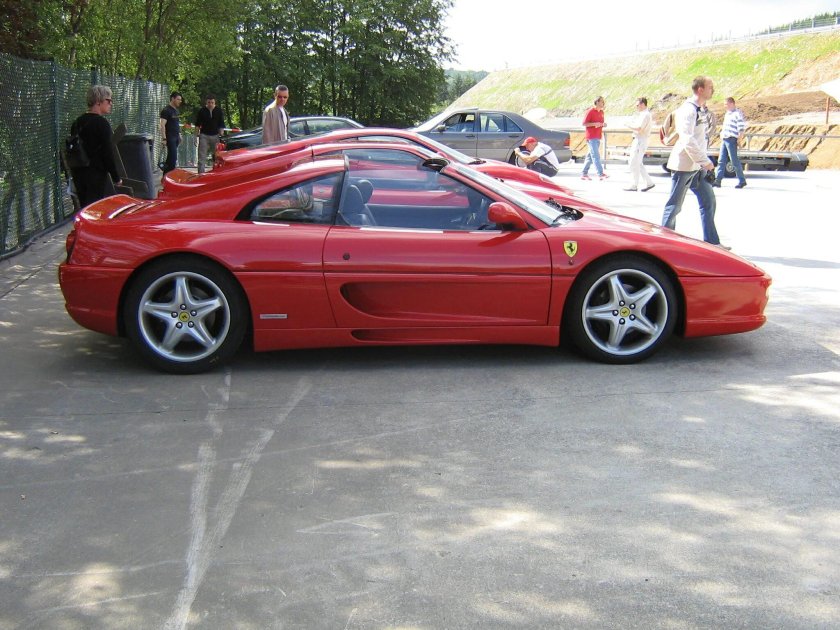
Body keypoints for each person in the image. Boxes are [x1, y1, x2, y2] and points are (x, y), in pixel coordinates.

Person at [661, 76, 727, 248]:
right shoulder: (688, 110)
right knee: (674, 206)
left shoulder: (700, 109)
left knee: (709, 202)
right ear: (700, 89)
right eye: (710, 87)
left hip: (697, 166)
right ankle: (664, 244)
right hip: (684, 165)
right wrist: (705, 161)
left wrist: (703, 162)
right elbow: (687, 139)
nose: (713, 89)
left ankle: (712, 242)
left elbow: (699, 137)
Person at [69, 85, 122, 208]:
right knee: (95, 208)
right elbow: (108, 152)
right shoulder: (102, 124)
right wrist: (116, 177)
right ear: (98, 102)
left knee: (84, 208)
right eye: (108, 101)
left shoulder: (76, 122)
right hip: (96, 173)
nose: (111, 104)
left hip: (78, 171)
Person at [714, 97, 747, 188]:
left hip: (731, 139)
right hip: (724, 139)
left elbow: (741, 129)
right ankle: (718, 180)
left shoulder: (737, 114)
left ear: (732, 103)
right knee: (721, 160)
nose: (725, 106)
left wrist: (739, 140)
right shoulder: (727, 114)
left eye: (726, 104)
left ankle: (742, 180)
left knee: (734, 161)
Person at [624, 97, 655, 192]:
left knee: (634, 162)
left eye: (637, 105)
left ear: (642, 104)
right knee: (638, 162)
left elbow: (639, 128)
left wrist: (628, 125)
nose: (636, 107)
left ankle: (634, 184)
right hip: (640, 139)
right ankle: (649, 182)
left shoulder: (645, 115)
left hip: (640, 140)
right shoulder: (643, 115)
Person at [194, 95, 226, 174]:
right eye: (209, 102)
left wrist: (221, 134)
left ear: (214, 103)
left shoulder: (218, 111)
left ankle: (216, 173)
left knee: (217, 157)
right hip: (204, 136)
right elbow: (197, 124)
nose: (210, 104)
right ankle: (200, 175)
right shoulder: (202, 111)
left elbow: (221, 124)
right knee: (202, 157)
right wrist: (195, 136)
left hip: (215, 136)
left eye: (212, 102)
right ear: (206, 102)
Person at [581, 96, 608, 180]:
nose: (603, 103)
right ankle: (600, 173)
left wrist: (603, 124)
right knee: (596, 155)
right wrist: (594, 123)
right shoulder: (590, 111)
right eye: (601, 102)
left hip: (598, 136)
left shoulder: (602, 112)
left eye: (603, 102)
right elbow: (584, 123)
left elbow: (601, 123)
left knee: (590, 156)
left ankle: (584, 174)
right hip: (591, 136)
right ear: (597, 102)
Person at [159, 91, 182, 174]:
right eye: (178, 99)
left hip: (176, 137)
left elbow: (176, 124)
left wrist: (179, 135)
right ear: (172, 99)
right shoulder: (166, 110)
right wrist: (164, 138)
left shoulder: (176, 111)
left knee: (170, 159)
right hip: (170, 138)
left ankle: (165, 176)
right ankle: (168, 176)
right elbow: (162, 125)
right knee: (173, 159)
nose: (180, 101)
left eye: (180, 100)